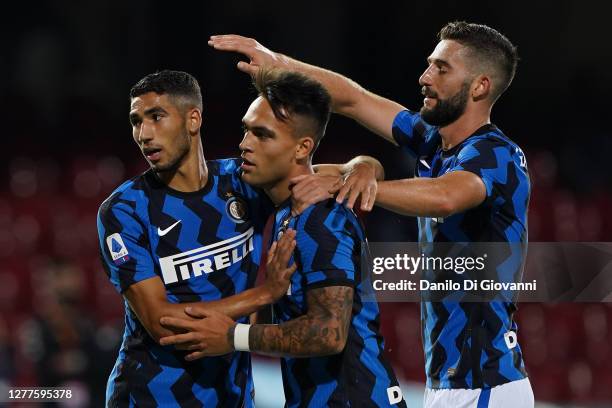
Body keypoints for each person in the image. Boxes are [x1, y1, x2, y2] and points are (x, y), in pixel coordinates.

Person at [207, 21, 534, 408]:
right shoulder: (431, 141)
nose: (425, 76)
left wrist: (361, 186)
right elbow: (353, 99)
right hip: (453, 382)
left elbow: (447, 196)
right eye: (429, 64)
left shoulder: (498, 155)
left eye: (441, 68)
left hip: (486, 382)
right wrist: (278, 64)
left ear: (480, 86)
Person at [96, 70, 381, 407]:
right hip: (153, 395)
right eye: (136, 121)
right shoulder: (125, 210)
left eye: (156, 117)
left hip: (232, 393)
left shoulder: (241, 182)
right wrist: (265, 294)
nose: (144, 134)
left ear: (193, 119)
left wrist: (364, 166)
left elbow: (322, 170)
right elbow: (163, 324)